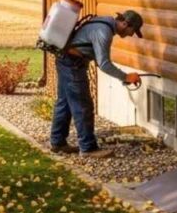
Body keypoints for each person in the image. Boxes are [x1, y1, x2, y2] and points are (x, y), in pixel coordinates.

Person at [49, 9, 144, 158]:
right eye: (133, 31)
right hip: (73, 65)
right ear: (125, 24)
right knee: (83, 107)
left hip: (65, 60)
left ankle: (58, 142)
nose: (131, 35)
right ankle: (88, 148)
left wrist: (124, 78)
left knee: (65, 103)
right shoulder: (104, 32)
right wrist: (125, 77)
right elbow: (104, 64)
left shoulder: (104, 21)